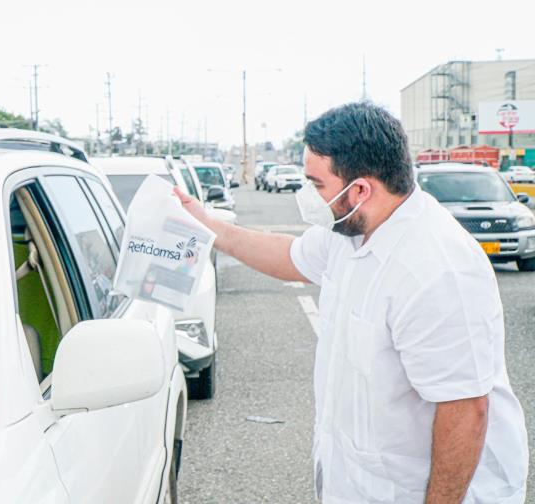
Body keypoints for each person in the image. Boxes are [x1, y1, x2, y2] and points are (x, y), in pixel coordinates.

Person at [175, 102, 527, 503]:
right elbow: (289, 256)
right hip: (360, 482)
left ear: (359, 189)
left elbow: (465, 411)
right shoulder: (353, 230)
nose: (309, 196)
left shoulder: (438, 271)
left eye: (317, 184)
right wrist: (208, 227)